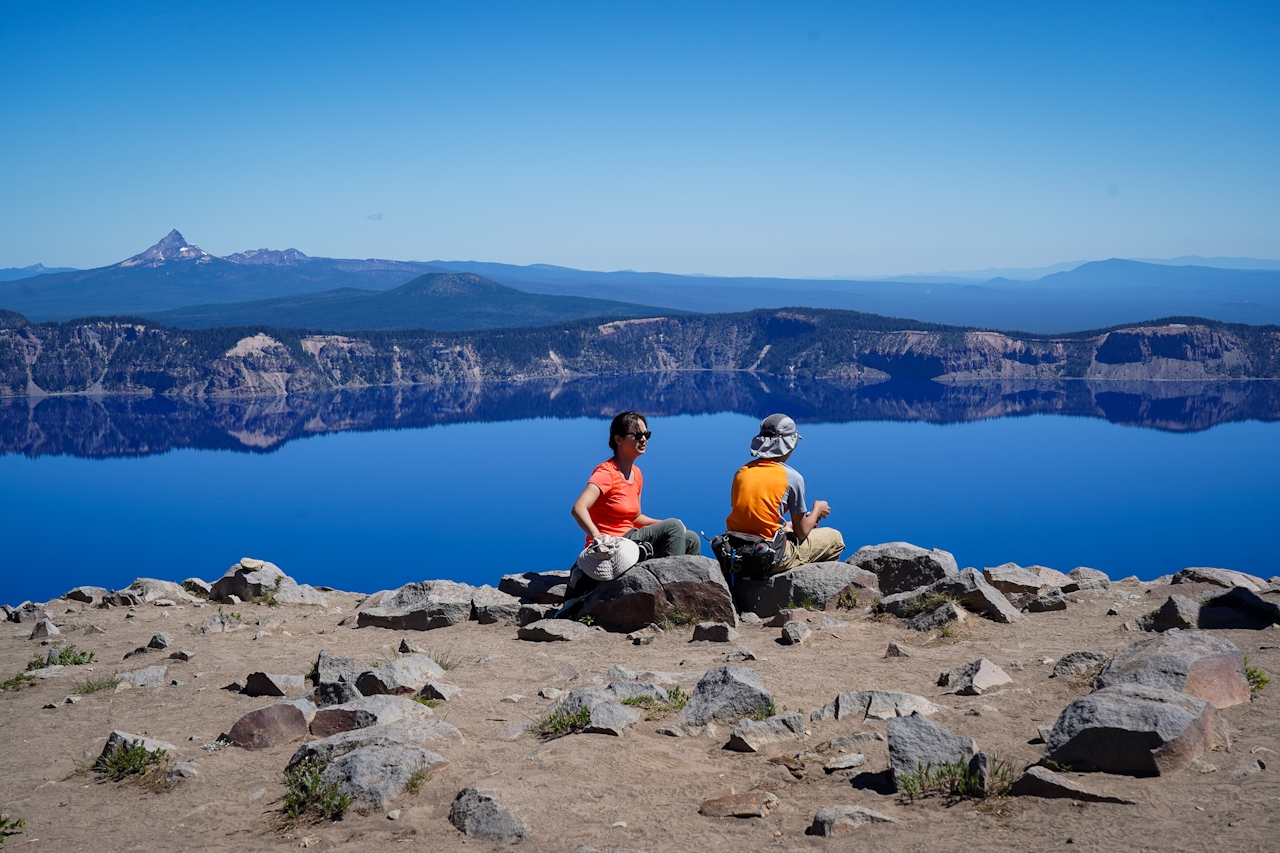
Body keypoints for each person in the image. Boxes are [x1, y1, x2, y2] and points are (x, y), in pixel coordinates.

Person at [571, 411, 700, 562]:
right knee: (673, 527)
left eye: (647, 434)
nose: (644, 439)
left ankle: (687, 581)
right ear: (618, 439)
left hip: (632, 540)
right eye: (638, 435)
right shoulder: (606, 472)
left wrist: (670, 524)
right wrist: (598, 536)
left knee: (691, 538)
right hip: (614, 545)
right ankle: (670, 581)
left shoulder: (637, 474)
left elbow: (636, 517)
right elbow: (578, 508)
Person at [724, 413, 843, 573]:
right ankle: (818, 588)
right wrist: (817, 510)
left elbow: (752, 516)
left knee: (789, 527)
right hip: (769, 556)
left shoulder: (742, 472)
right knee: (834, 538)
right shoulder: (792, 478)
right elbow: (802, 533)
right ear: (790, 444)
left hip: (737, 552)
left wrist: (785, 526)